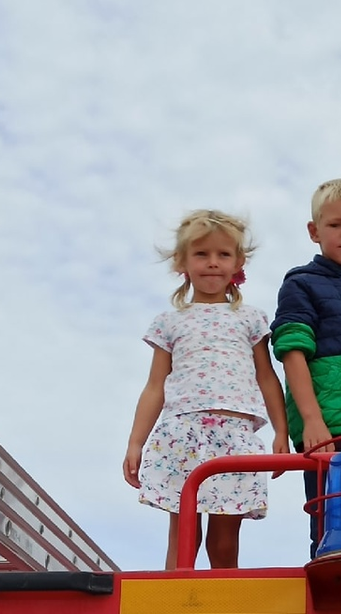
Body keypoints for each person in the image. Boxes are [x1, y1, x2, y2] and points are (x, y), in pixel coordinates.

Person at [123, 209, 289, 570]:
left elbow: (266, 376)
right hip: (183, 430)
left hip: (235, 434)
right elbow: (155, 387)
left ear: (238, 262)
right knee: (183, 530)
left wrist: (282, 430)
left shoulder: (250, 318)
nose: (213, 263)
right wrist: (136, 441)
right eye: (201, 254)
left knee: (224, 537)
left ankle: (223, 598)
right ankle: (175, 597)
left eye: (223, 254)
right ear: (182, 262)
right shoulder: (170, 321)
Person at [270, 178, 341, 559]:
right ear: (314, 231)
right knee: (333, 523)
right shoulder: (301, 284)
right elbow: (291, 351)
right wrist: (313, 420)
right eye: (335, 225)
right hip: (332, 428)